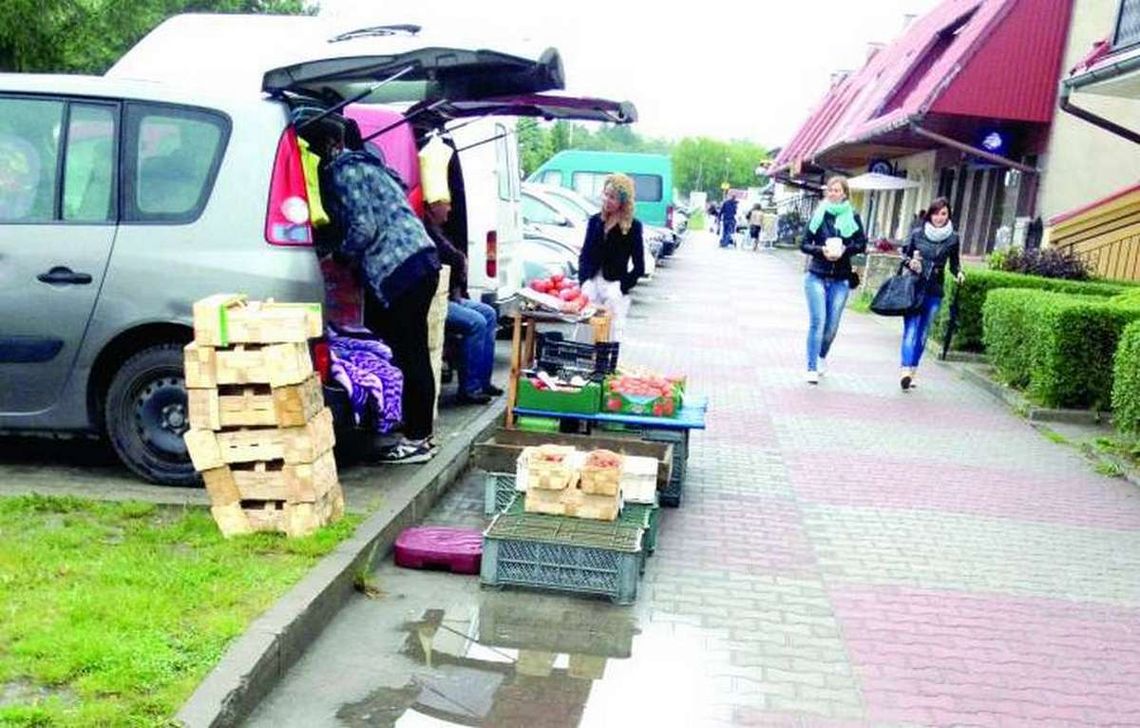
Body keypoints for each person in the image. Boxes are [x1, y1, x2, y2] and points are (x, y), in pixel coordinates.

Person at [307, 117, 441, 464]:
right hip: (421, 261)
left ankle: (416, 439)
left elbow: (364, 227)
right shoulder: (371, 165)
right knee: (413, 352)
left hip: (400, 268)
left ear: (328, 146)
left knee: (410, 353)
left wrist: (337, 256)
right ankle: (421, 435)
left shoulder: (343, 171)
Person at [423, 196, 504, 404]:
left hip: (450, 296)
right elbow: (455, 259)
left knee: (489, 313)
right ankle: (470, 387)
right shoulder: (427, 230)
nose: (450, 209)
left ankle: (482, 381)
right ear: (433, 207)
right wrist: (461, 261)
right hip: (433, 300)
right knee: (477, 322)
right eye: (446, 204)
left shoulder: (439, 230)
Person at [800, 176, 867, 384]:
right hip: (817, 275)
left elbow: (861, 244)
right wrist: (822, 250)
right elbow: (803, 243)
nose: (833, 193)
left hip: (840, 278)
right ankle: (811, 367)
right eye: (830, 190)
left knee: (831, 327)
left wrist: (845, 250)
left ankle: (821, 356)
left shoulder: (853, 217)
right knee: (818, 322)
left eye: (837, 190)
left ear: (845, 194)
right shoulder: (819, 215)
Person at [898, 197, 963, 390]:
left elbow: (954, 263)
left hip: (935, 289)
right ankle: (905, 371)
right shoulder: (918, 233)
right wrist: (911, 263)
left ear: (948, 215)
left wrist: (959, 273)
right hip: (914, 287)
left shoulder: (953, 238)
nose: (939, 217)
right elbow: (904, 255)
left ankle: (913, 370)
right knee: (911, 329)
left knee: (923, 332)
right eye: (935, 213)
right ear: (930, 214)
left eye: (943, 213)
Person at [578, 173, 645, 342]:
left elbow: (639, 267)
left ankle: (605, 365)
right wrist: (584, 280)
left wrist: (622, 287)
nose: (607, 200)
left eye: (613, 197)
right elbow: (584, 254)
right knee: (586, 332)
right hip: (591, 284)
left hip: (614, 286)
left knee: (611, 334)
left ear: (623, 202)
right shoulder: (594, 221)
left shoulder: (633, 227)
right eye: (606, 195)